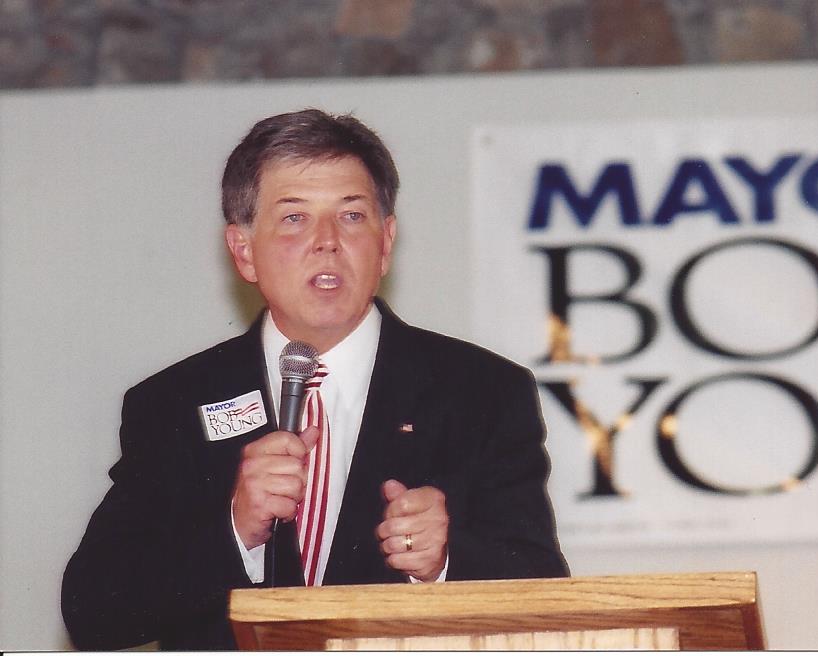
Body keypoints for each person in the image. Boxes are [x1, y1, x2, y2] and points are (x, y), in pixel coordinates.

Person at [61, 109, 568, 650]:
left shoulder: (482, 393)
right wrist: (237, 530)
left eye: (351, 216)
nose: (327, 241)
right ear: (243, 251)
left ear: (386, 241)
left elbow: (548, 598)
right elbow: (94, 613)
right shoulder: (175, 404)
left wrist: (446, 561)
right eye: (294, 218)